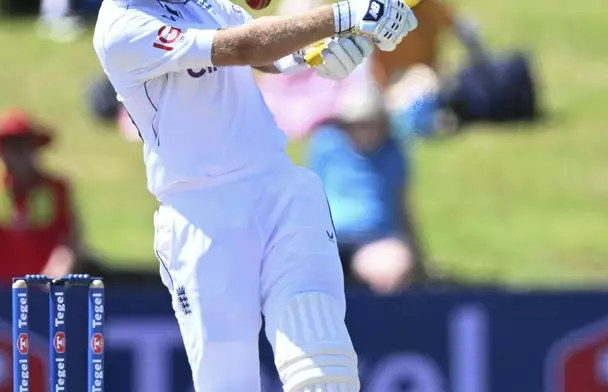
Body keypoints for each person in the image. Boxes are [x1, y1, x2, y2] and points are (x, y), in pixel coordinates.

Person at [93, 0, 418, 391]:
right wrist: (344, 15)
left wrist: (314, 54)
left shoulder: (198, 2)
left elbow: (265, 55)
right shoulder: (122, 26)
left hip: (278, 187)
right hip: (202, 212)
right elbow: (243, 46)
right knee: (228, 382)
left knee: (324, 364)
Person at [307, 84, 425, 294]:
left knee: (391, 268)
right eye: (357, 124)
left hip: (376, 240)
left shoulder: (393, 153)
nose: (364, 131)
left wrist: (418, 252)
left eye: (370, 123)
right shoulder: (326, 145)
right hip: (328, 240)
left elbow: (401, 204)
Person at [0, 109, 81, 284]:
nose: (21, 154)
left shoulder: (56, 189)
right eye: (13, 147)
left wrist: (60, 266)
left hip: (44, 287)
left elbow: (70, 235)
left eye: (26, 146)